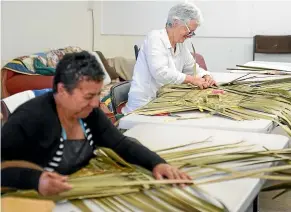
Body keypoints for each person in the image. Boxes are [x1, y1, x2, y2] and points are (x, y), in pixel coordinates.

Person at [1, 51, 191, 196]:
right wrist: (36, 180)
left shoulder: (90, 114)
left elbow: (120, 144)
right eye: (88, 96)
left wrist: (156, 164)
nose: (95, 103)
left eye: (98, 94)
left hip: (76, 193)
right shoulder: (30, 119)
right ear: (62, 90)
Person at [122, 3, 217, 114]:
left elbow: (193, 68)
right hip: (145, 106)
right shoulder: (155, 38)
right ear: (176, 22)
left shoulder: (180, 45)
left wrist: (205, 75)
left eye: (192, 32)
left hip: (165, 102)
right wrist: (192, 79)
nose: (189, 35)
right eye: (188, 30)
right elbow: (160, 72)